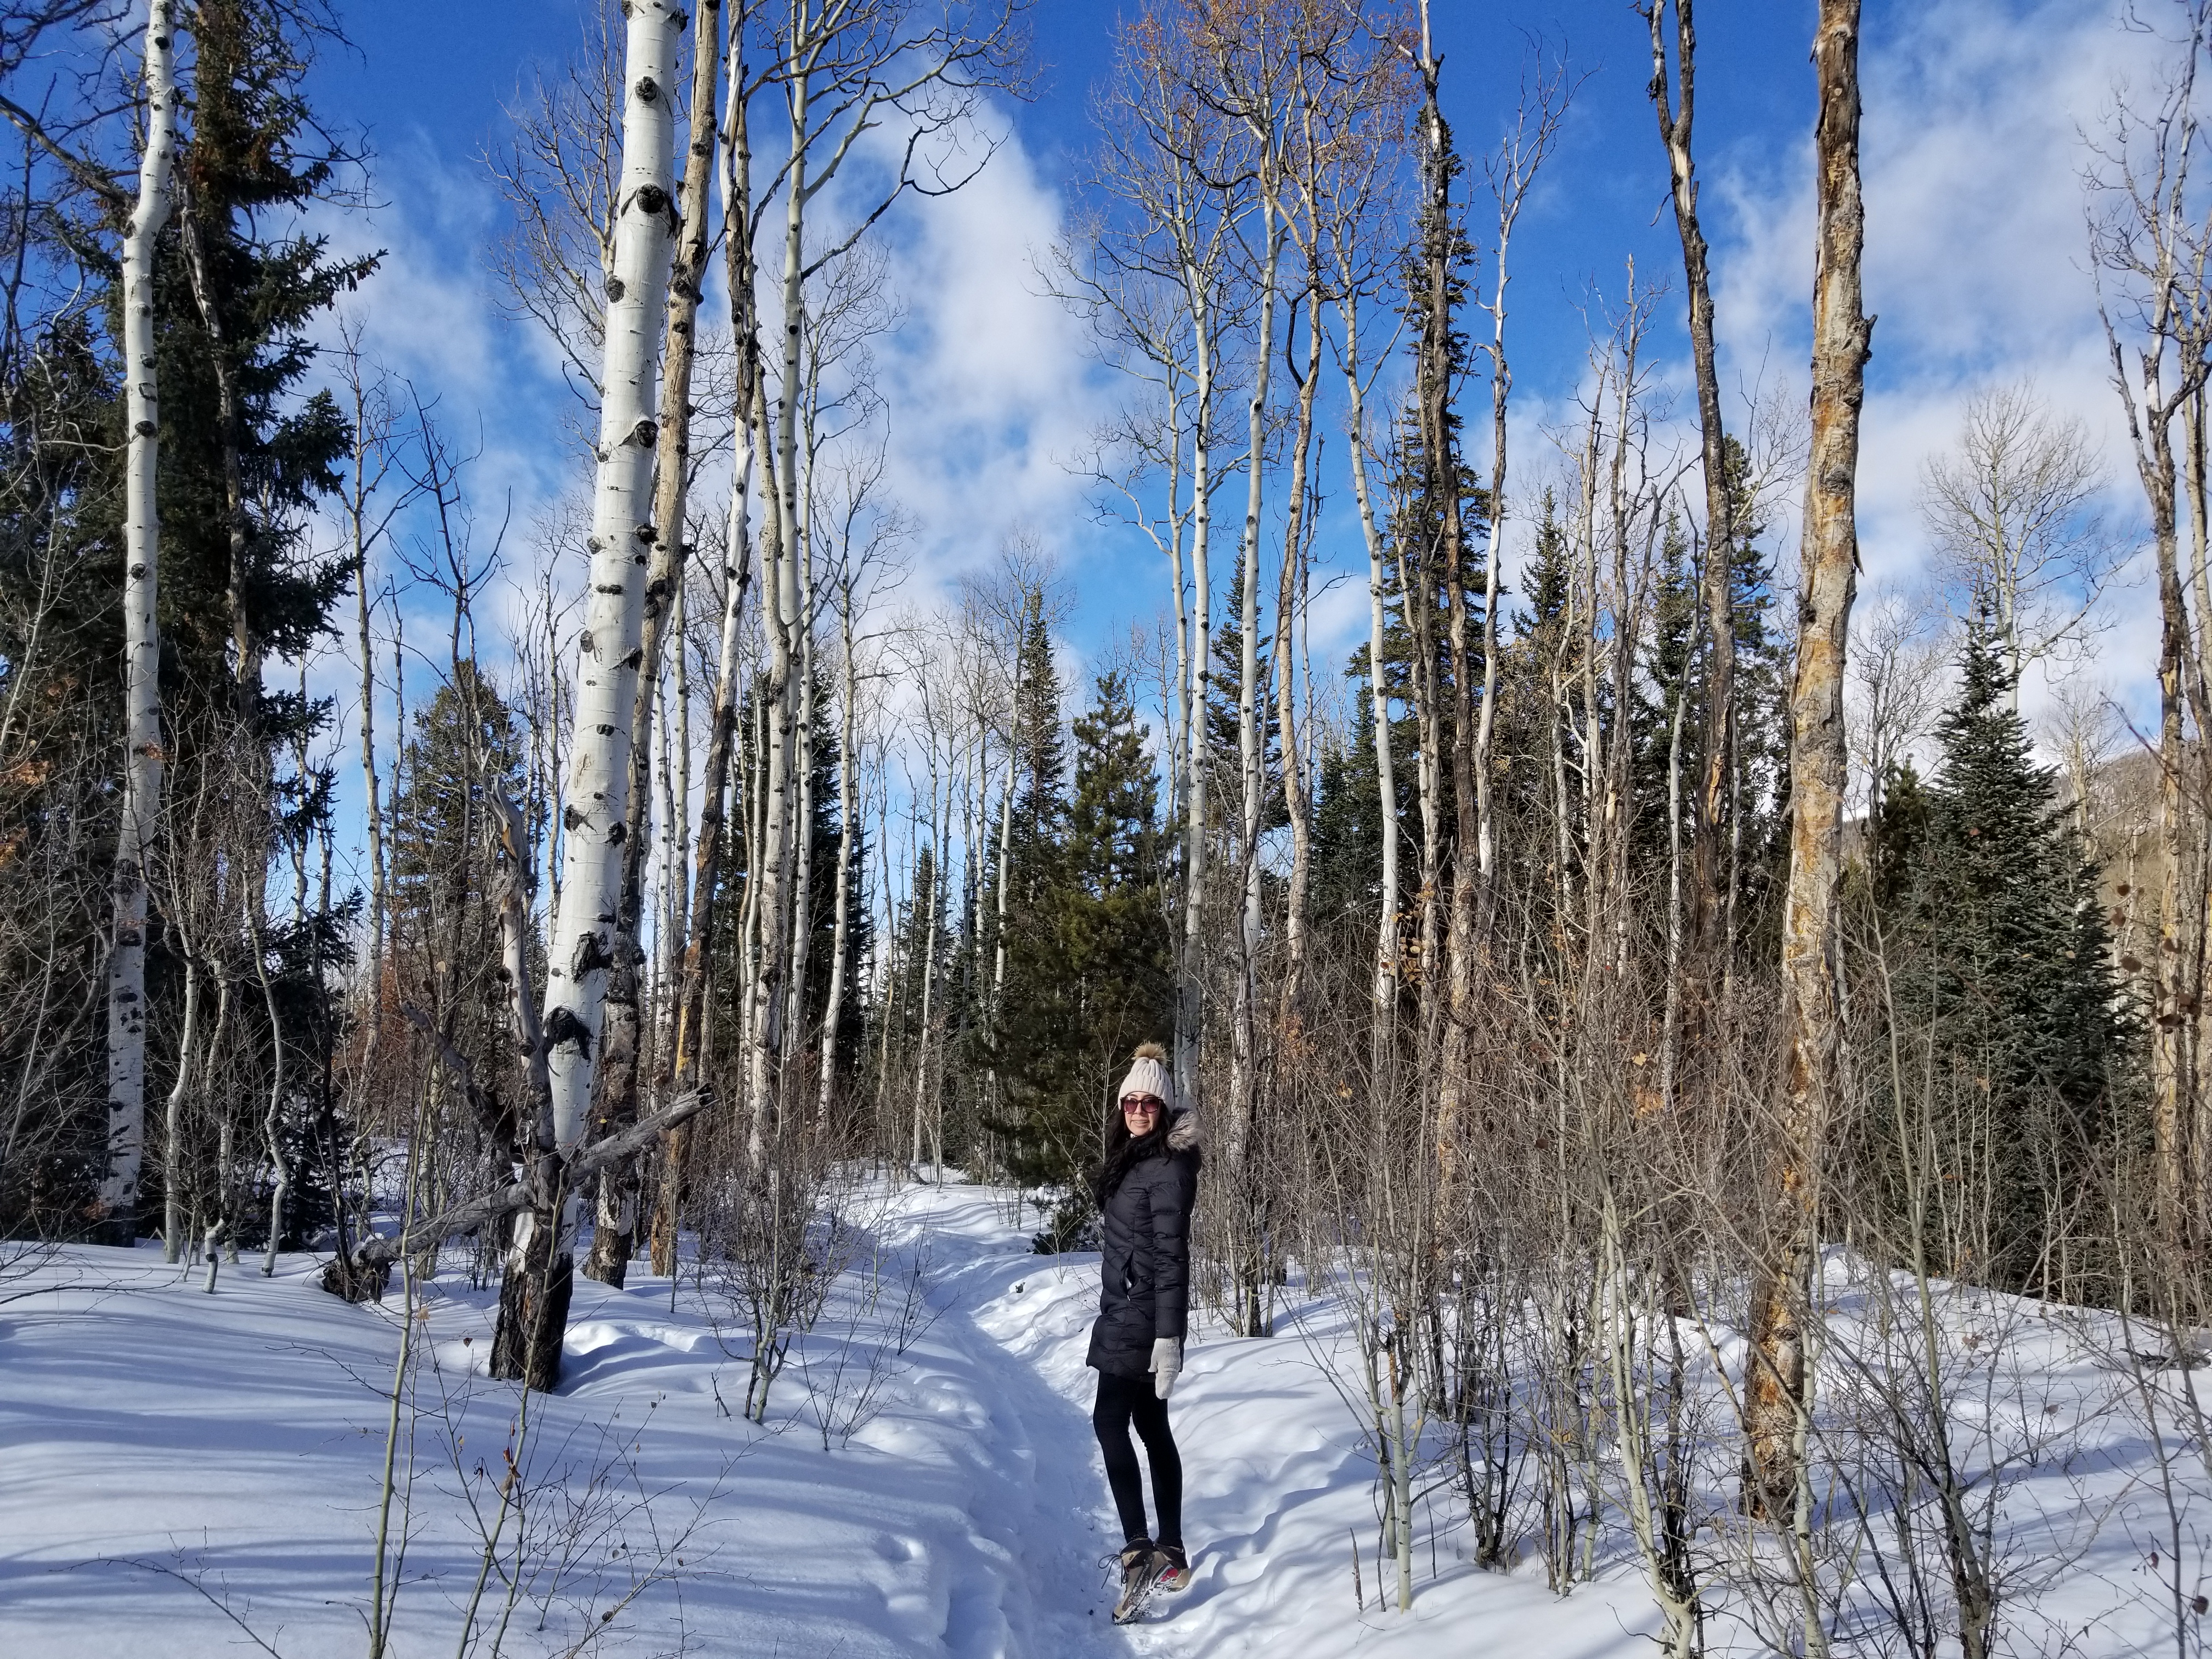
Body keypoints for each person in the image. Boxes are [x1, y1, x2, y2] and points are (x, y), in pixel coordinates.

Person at [1085, 1041, 1204, 1624]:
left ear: (1163, 1108)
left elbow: (1172, 1256)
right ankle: (1173, 1550)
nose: (1137, 1110)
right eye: (1129, 1101)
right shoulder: (1135, 1157)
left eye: (1148, 1103)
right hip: (1129, 1308)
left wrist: (1168, 1337)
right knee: (1151, 1424)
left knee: (1110, 1421)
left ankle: (1139, 1551)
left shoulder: (1167, 1168)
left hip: (1140, 1313)